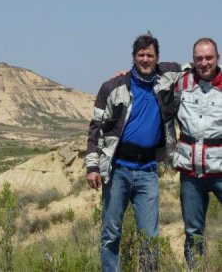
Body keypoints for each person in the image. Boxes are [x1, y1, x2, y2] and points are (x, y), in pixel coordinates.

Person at [85, 33, 180, 271]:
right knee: (110, 233)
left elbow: (201, 65)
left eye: (150, 55)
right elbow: (95, 129)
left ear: (157, 58)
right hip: (118, 169)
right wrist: (92, 166)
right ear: (133, 58)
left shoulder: (166, 80)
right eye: (141, 55)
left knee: (149, 235)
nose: (146, 60)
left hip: (148, 171)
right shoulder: (113, 87)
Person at [173, 38, 222, 269]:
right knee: (193, 233)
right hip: (190, 175)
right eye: (199, 58)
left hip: (220, 170)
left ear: (217, 58)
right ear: (193, 61)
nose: (204, 63)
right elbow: (153, 71)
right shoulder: (182, 83)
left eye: (209, 58)